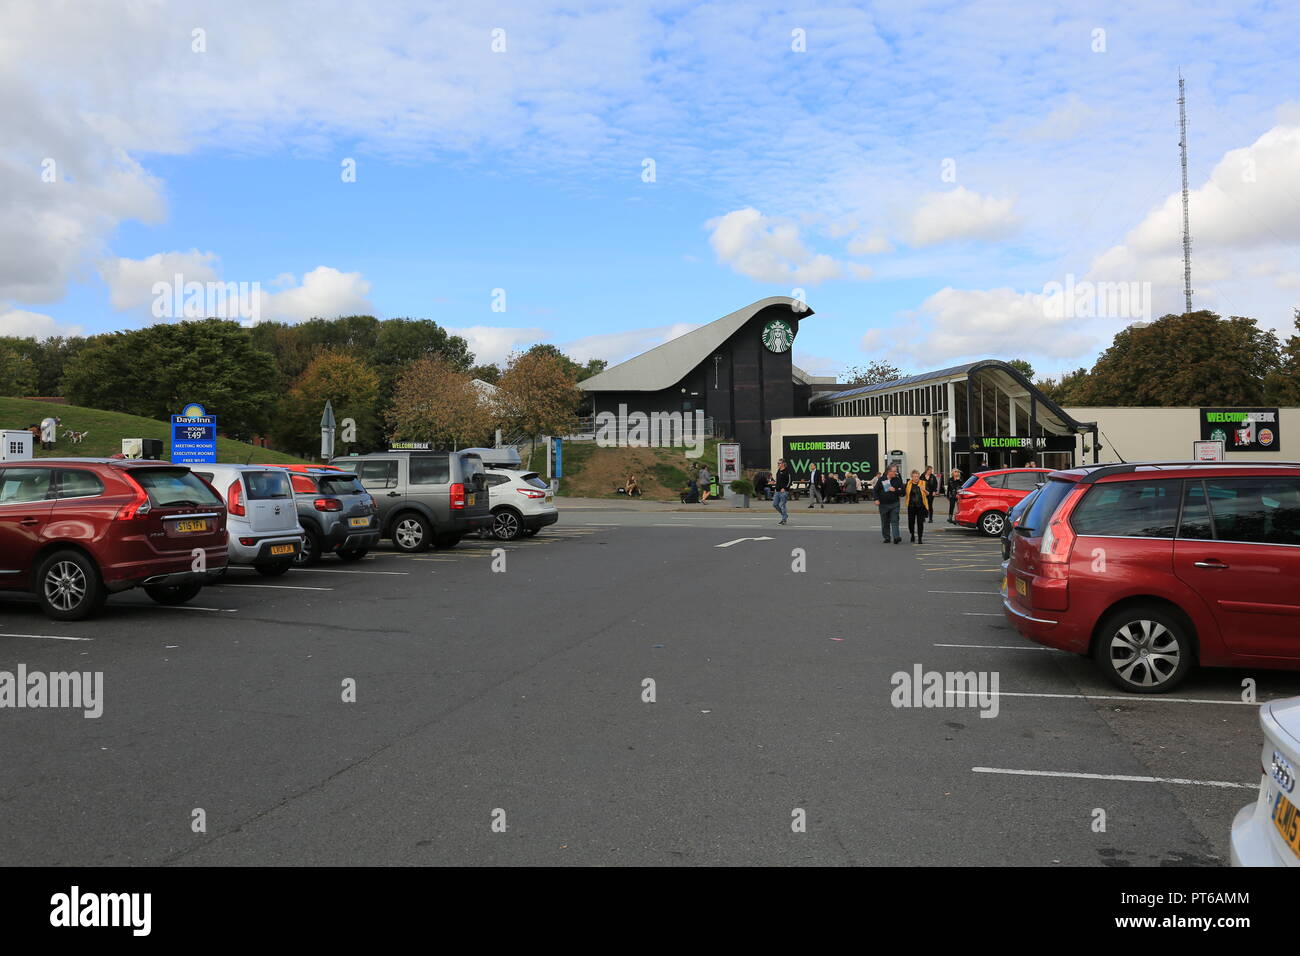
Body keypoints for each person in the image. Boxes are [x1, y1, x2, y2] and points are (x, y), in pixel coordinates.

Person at [873, 465, 904, 543]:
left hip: (894, 504)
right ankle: (887, 537)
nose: (895, 473)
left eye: (895, 471)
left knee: (895, 520)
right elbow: (875, 490)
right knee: (885, 521)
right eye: (894, 471)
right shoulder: (881, 479)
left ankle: (896, 537)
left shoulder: (897, 480)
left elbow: (903, 492)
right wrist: (876, 499)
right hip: (883, 504)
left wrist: (895, 490)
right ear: (888, 472)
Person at [904, 469, 930, 544]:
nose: (916, 478)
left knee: (920, 523)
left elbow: (928, 493)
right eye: (914, 476)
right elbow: (903, 492)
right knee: (911, 523)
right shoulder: (908, 484)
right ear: (911, 477)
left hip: (921, 506)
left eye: (917, 476)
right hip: (911, 506)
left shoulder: (923, 483)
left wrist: (924, 490)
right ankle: (912, 534)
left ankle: (920, 538)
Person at [773, 459, 791, 525]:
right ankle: (785, 515)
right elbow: (778, 481)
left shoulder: (787, 471)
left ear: (783, 464)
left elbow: (789, 481)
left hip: (784, 492)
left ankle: (784, 520)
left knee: (782, 505)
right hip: (777, 491)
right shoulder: (778, 471)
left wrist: (785, 488)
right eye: (777, 463)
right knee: (775, 504)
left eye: (779, 463)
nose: (778, 464)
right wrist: (776, 487)